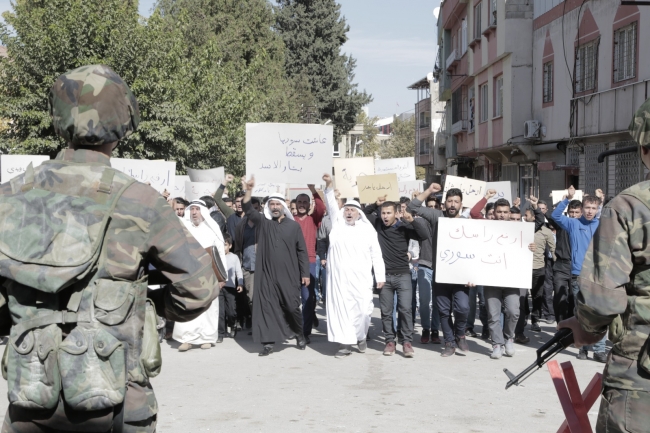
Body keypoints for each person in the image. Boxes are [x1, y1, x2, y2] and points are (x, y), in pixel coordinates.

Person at [0, 65, 219, 433]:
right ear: (122, 123)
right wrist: (143, 307)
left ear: (58, 118)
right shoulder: (141, 201)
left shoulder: (8, 196)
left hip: (31, 401)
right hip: (117, 403)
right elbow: (199, 289)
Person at [558, 98, 650, 432]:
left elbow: (602, 297)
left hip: (640, 376)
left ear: (642, 146)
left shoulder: (631, 205)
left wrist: (586, 327)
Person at [241, 176, 310, 356]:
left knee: (292, 307)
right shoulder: (263, 223)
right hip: (267, 275)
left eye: (277, 205)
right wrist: (249, 190)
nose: (275, 207)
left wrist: (305, 273)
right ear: (268, 207)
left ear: (283, 207)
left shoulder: (293, 227)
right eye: (271, 205)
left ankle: (299, 333)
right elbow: (248, 209)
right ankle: (268, 343)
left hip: (289, 274)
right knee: (267, 307)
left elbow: (302, 251)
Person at [321, 175, 385, 358]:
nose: (349, 212)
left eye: (352, 210)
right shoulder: (337, 224)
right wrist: (329, 185)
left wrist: (380, 276)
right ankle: (345, 344)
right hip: (340, 280)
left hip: (361, 279)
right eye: (346, 209)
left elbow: (376, 254)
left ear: (359, 213)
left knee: (364, 310)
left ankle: (360, 336)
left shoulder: (367, 230)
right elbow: (332, 204)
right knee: (342, 310)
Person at [409, 184, 471, 357]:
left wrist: (473, 275)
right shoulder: (437, 216)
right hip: (441, 272)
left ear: (461, 204)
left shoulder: (468, 224)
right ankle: (449, 342)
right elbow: (412, 207)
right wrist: (429, 191)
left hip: (461, 275)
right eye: (449, 201)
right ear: (444, 204)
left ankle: (460, 333)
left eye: (456, 202)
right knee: (443, 310)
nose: (452, 205)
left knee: (463, 308)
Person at [364, 195, 428, 358]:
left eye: (388, 213)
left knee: (405, 309)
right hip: (383, 277)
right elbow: (363, 214)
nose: (385, 216)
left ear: (396, 213)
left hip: (403, 275)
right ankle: (390, 341)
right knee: (386, 311)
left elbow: (424, 235)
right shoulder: (377, 224)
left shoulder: (403, 227)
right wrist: (374, 204)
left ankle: (406, 342)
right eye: (383, 212)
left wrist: (412, 220)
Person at [552, 186, 606, 362]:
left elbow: (615, 219)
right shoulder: (573, 223)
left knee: (600, 312)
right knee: (581, 313)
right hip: (578, 275)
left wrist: (603, 202)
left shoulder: (601, 224)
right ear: (582, 209)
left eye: (593, 208)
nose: (590, 211)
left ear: (597, 210)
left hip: (598, 276)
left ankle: (599, 349)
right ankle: (582, 347)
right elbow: (555, 216)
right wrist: (567, 198)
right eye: (587, 208)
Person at [174, 200, 227, 352]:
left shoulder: (212, 228)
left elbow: (220, 255)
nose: (194, 212)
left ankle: (207, 338)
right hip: (189, 274)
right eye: (192, 209)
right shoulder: (184, 228)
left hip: (209, 275)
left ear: (203, 211)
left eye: (197, 209)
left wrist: (222, 278)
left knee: (208, 307)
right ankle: (187, 339)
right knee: (188, 305)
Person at [293, 185, 326, 343]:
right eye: (299, 201)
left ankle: (305, 332)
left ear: (309, 205)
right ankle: (295, 326)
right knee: (292, 299)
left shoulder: (314, 219)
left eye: (305, 202)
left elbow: (321, 207)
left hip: (310, 262)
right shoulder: (289, 220)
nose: (302, 204)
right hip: (291, 264)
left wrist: (313, 190)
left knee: (307, 297)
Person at [219, 233, 243, 343]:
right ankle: (221, 333)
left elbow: (239, 271)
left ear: (230, 246)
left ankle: (233, 325)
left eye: (225, 244)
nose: (223, 247)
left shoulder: (234, 257)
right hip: (219, 287)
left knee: (231, 311)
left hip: (230, 287)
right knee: (220, 312)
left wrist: (240, 284)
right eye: (221, 244)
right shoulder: (217, 257)